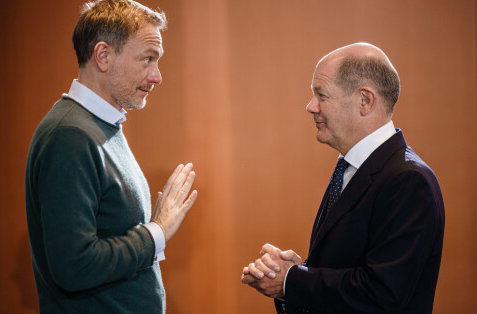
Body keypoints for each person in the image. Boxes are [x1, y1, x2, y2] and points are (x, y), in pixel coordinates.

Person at [241, 43, 445, 313]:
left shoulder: (408, 181)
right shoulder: (352, 167)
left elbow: (381, 294)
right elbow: (348, 268)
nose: (310, 107)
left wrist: (292, 281)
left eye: (321, 95)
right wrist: (299, 273)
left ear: (365, 100)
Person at [25, 1, 197, 313]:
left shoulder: (101, 126)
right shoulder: (70, 136)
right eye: (147, 60)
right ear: (103, 56)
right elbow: (74, 266)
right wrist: (156, 231)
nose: (156, 76)